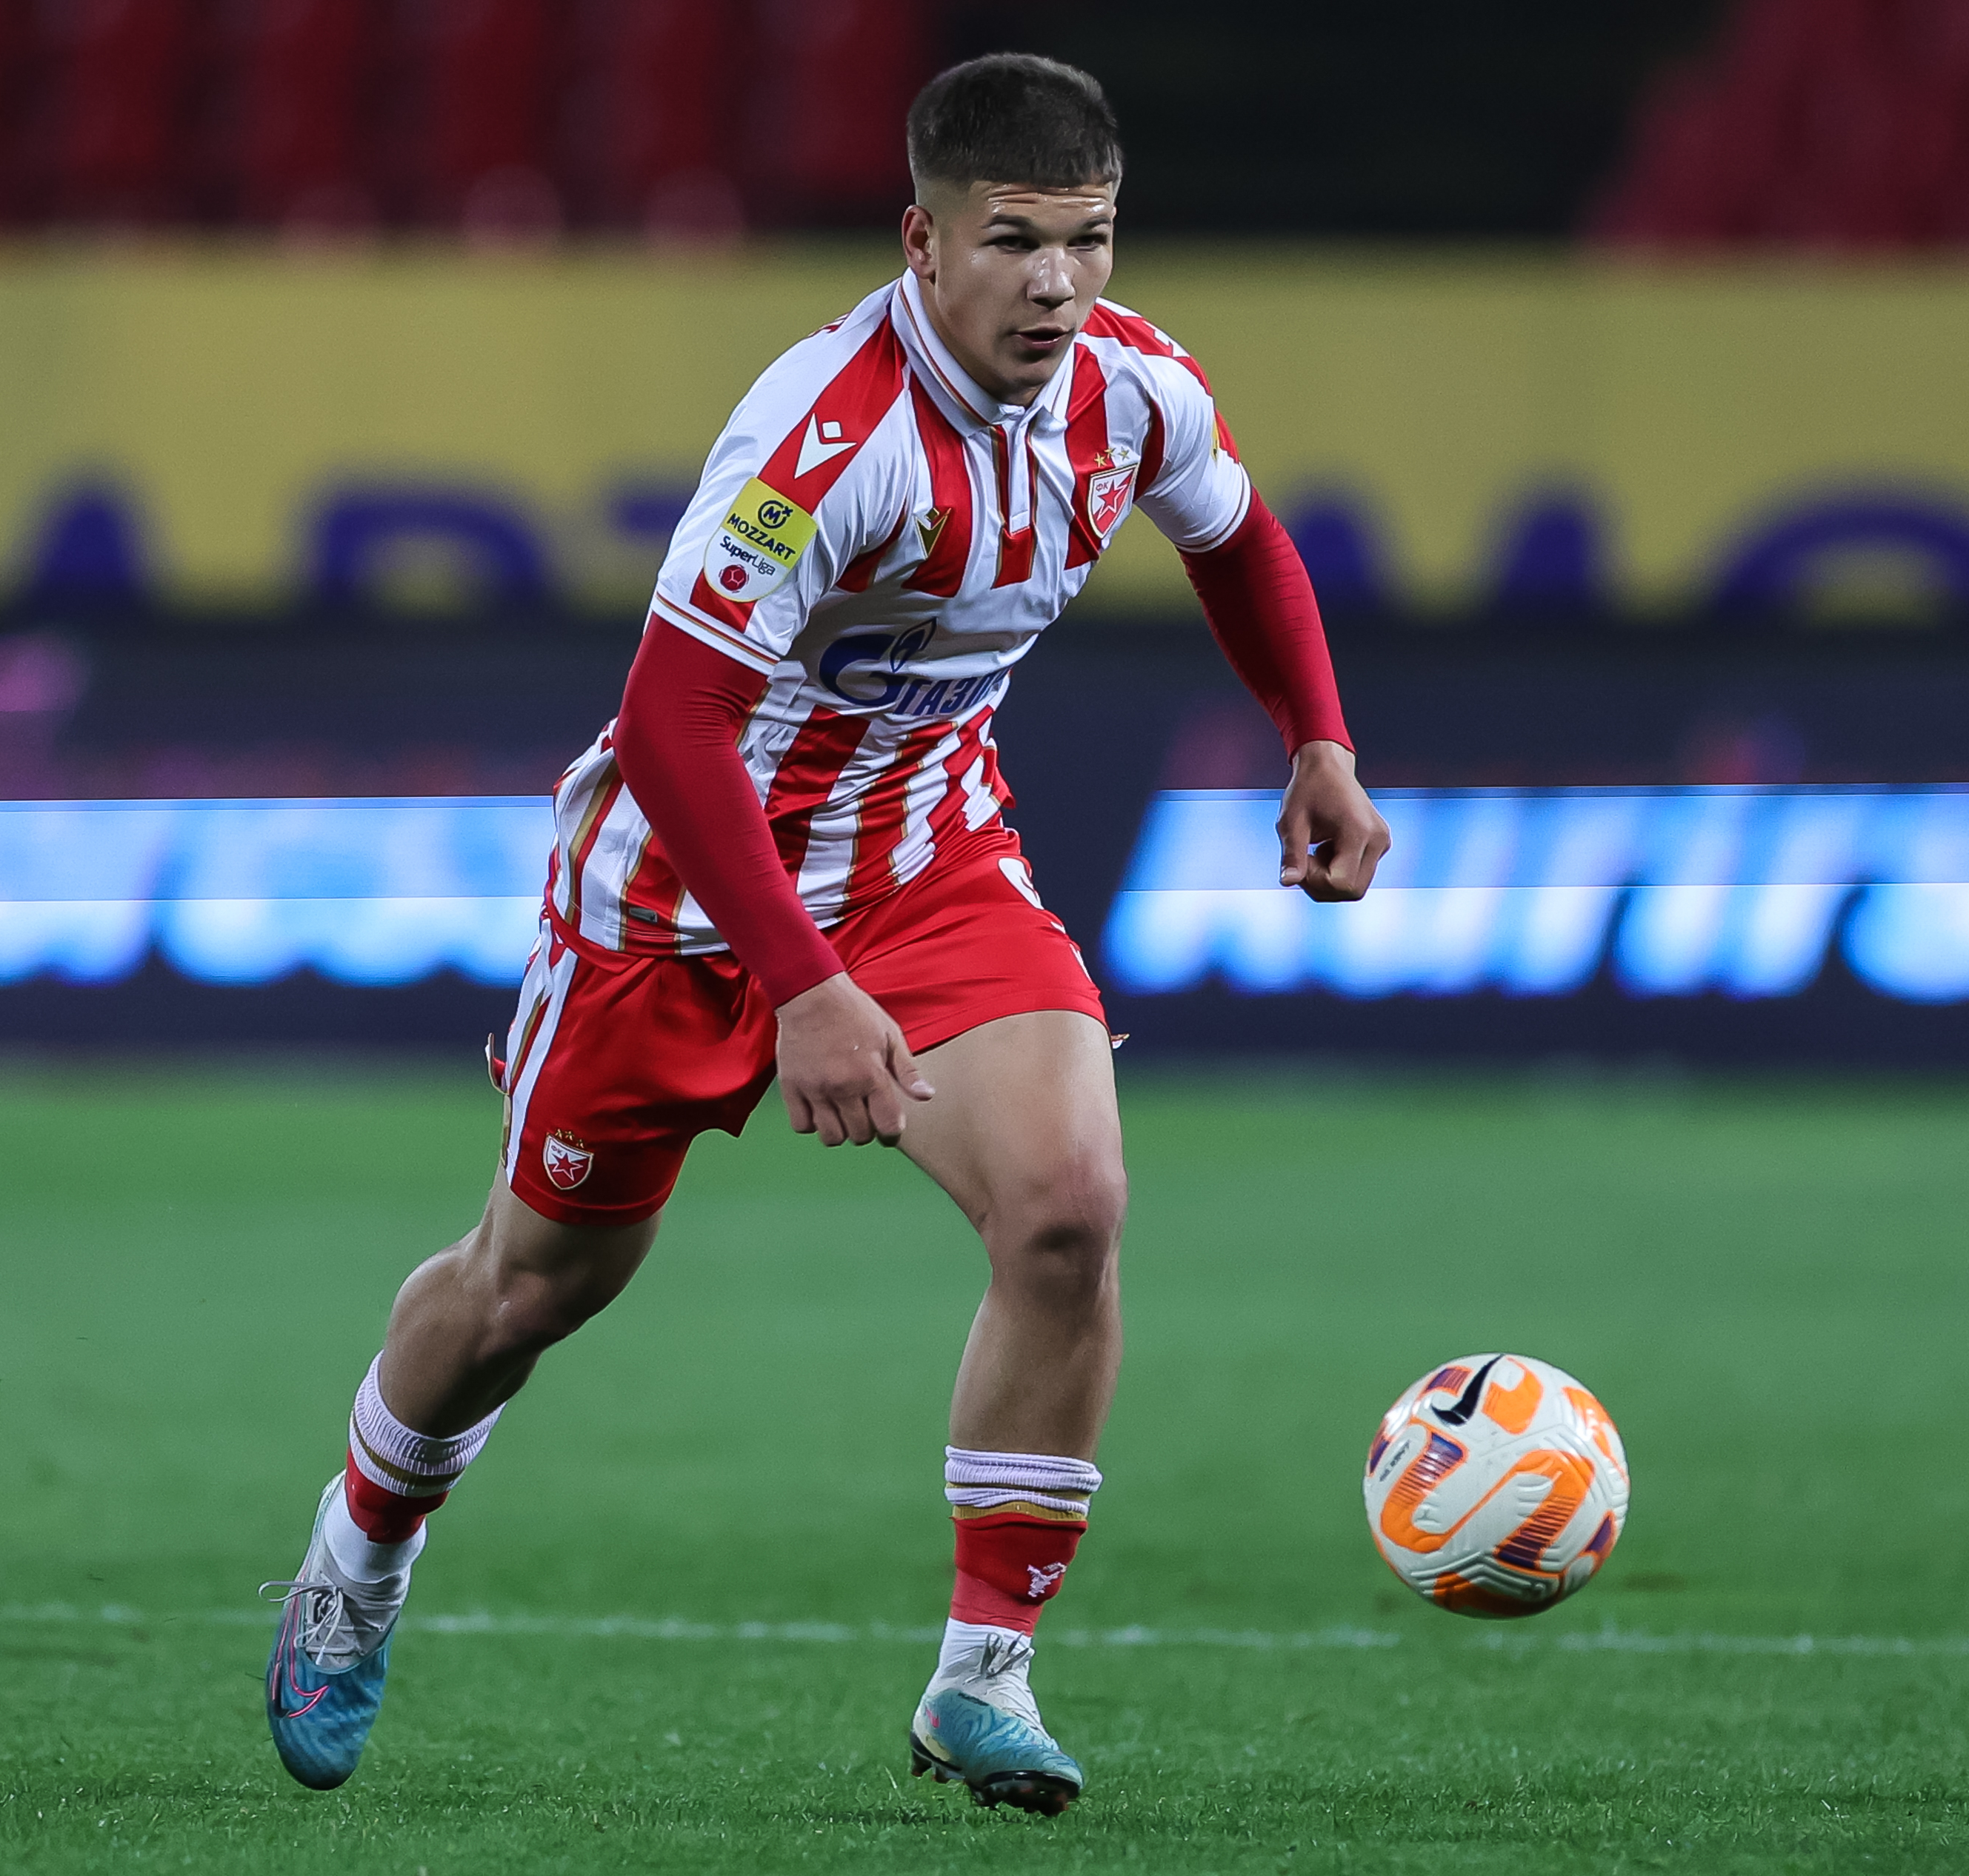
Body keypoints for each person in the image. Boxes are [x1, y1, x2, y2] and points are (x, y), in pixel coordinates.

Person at [261, 50, 1390, 1816]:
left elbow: (1240, 542)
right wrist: (803, 990)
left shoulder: (1131, 388)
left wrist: (1313, 737)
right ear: (921, 239)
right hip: (674, 896)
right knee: (532, 1285)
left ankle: (982, 1676)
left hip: (927, 859)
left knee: (1067, 1207)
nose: (1056, 283)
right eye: (1013, 241)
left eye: (1087, 241)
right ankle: (358, 1555)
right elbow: (669, 728)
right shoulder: (826, 436)